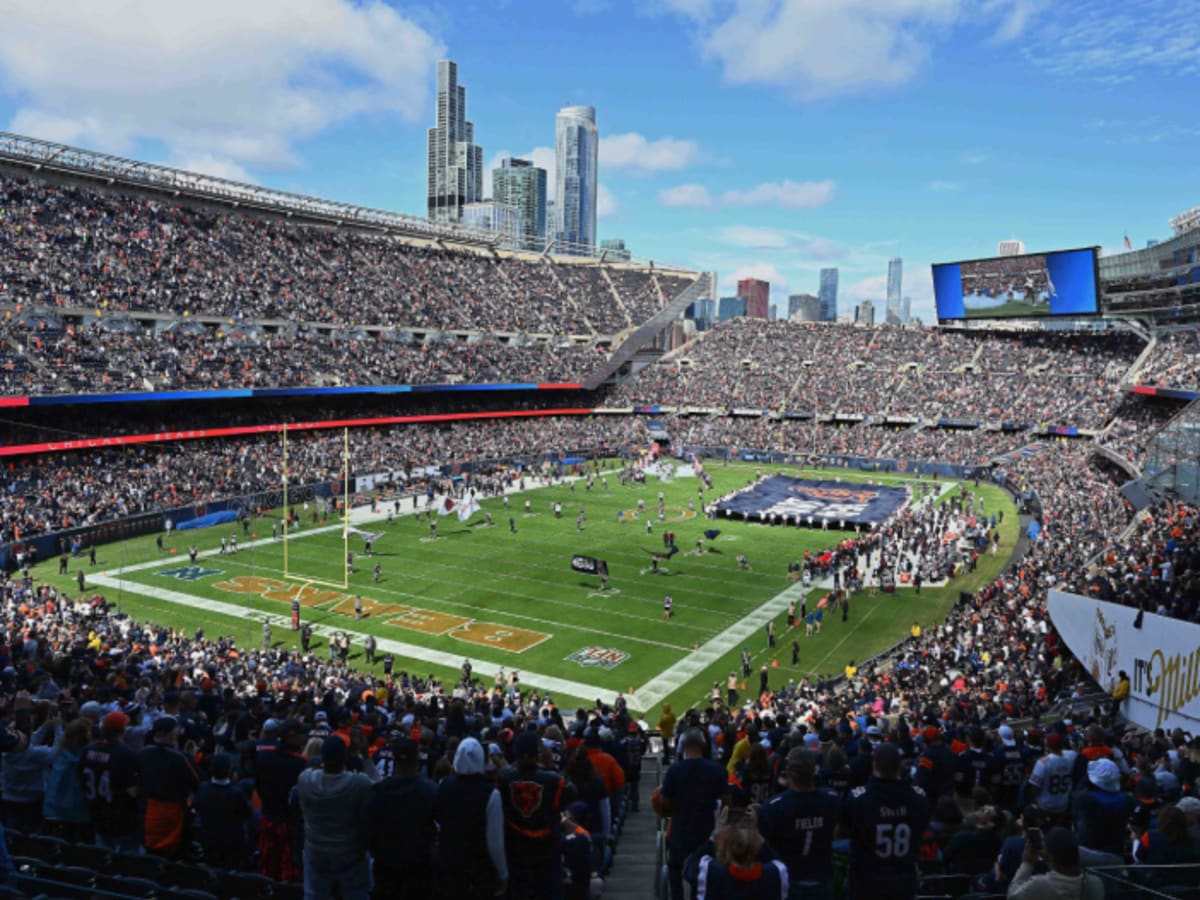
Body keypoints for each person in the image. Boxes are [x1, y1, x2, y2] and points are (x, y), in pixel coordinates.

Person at [841, 743, 930, 900]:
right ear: (899, 766)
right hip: (903, 879)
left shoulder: (858, 799)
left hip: (867, 880)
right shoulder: (918, 798)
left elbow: (846, 828)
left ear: (874, 765)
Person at [294, 736, 373, 900]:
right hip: (350, 855)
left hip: (316, 853)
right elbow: (381, 788)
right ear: (345, 757)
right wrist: (366, 758)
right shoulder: (359, 783)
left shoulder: (305, 780)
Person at [758, 748, 840, 900]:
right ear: (814, 771)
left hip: (788, 880)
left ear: (788, 772)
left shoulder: (773, 807)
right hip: (820, 877)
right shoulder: (832, 800)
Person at [498, 731, 571, 900]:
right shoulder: (554, 780)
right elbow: (570, 792)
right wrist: (550, 765)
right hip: (545, 850)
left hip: (516, 849)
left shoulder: (503, 778)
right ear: (535, 755)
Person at [659, 728, 729, 900]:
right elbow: (727, 801)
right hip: (707, 830)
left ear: (684, 746)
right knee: (703, 872)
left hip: (681, 829)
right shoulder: (716, 770)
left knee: (675, 867)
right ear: (703, 746)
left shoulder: (675, 770)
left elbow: (664, 802)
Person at [435, 737, 508, 899]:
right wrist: (503, 873)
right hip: (478, 869)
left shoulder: (444, 785)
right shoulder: (491, 793)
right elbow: (495, 842)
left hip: (450, 864)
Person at [366, 737, 437, 900]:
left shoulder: (377, 791)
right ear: (417, 759)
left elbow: (368, 828)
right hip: (418, 864)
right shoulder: (430, 791)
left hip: (386, 862)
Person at [137, 716, 200, 858]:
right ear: (172, 733)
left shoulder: (143, 753)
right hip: (173, 812)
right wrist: (191, 757)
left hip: (149, 809)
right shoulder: (180, 758)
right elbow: (196, 782)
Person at [79, 711, 141, 854]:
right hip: (121, 816)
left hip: (96, 812)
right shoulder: (126, 754)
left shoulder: (87, 750)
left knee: (102, 858)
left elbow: (80, 779)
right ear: (123, 730)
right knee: (127, 863)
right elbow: (133, 790)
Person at [1006, 827, 1104, 899]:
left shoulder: (1039, 884)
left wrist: (1027, 864)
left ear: (1051, 856)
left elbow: (1012, 896)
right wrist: (1049, 859)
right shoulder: (1096, 883)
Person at [192, 753, 253, 870]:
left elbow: (197, 807)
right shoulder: (236, 793)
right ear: (229, 770)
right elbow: (246, 813)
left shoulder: (202, 788)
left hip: (208, 838)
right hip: (232, 842)